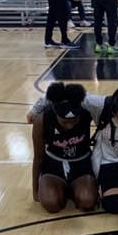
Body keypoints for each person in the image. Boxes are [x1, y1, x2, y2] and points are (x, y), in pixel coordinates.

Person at [28, 82, 98, 212]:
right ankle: (62, 188)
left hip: (81, 165)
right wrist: (35, 189)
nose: (69, 126)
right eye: (64, 122)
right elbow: (38, 156)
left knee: (88, 202)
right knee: (51, 204)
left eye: (74, 120)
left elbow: (109, 104)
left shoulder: (87, 112)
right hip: (53, 167)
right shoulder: (42, 120)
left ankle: (72, 189)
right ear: (55, 113)